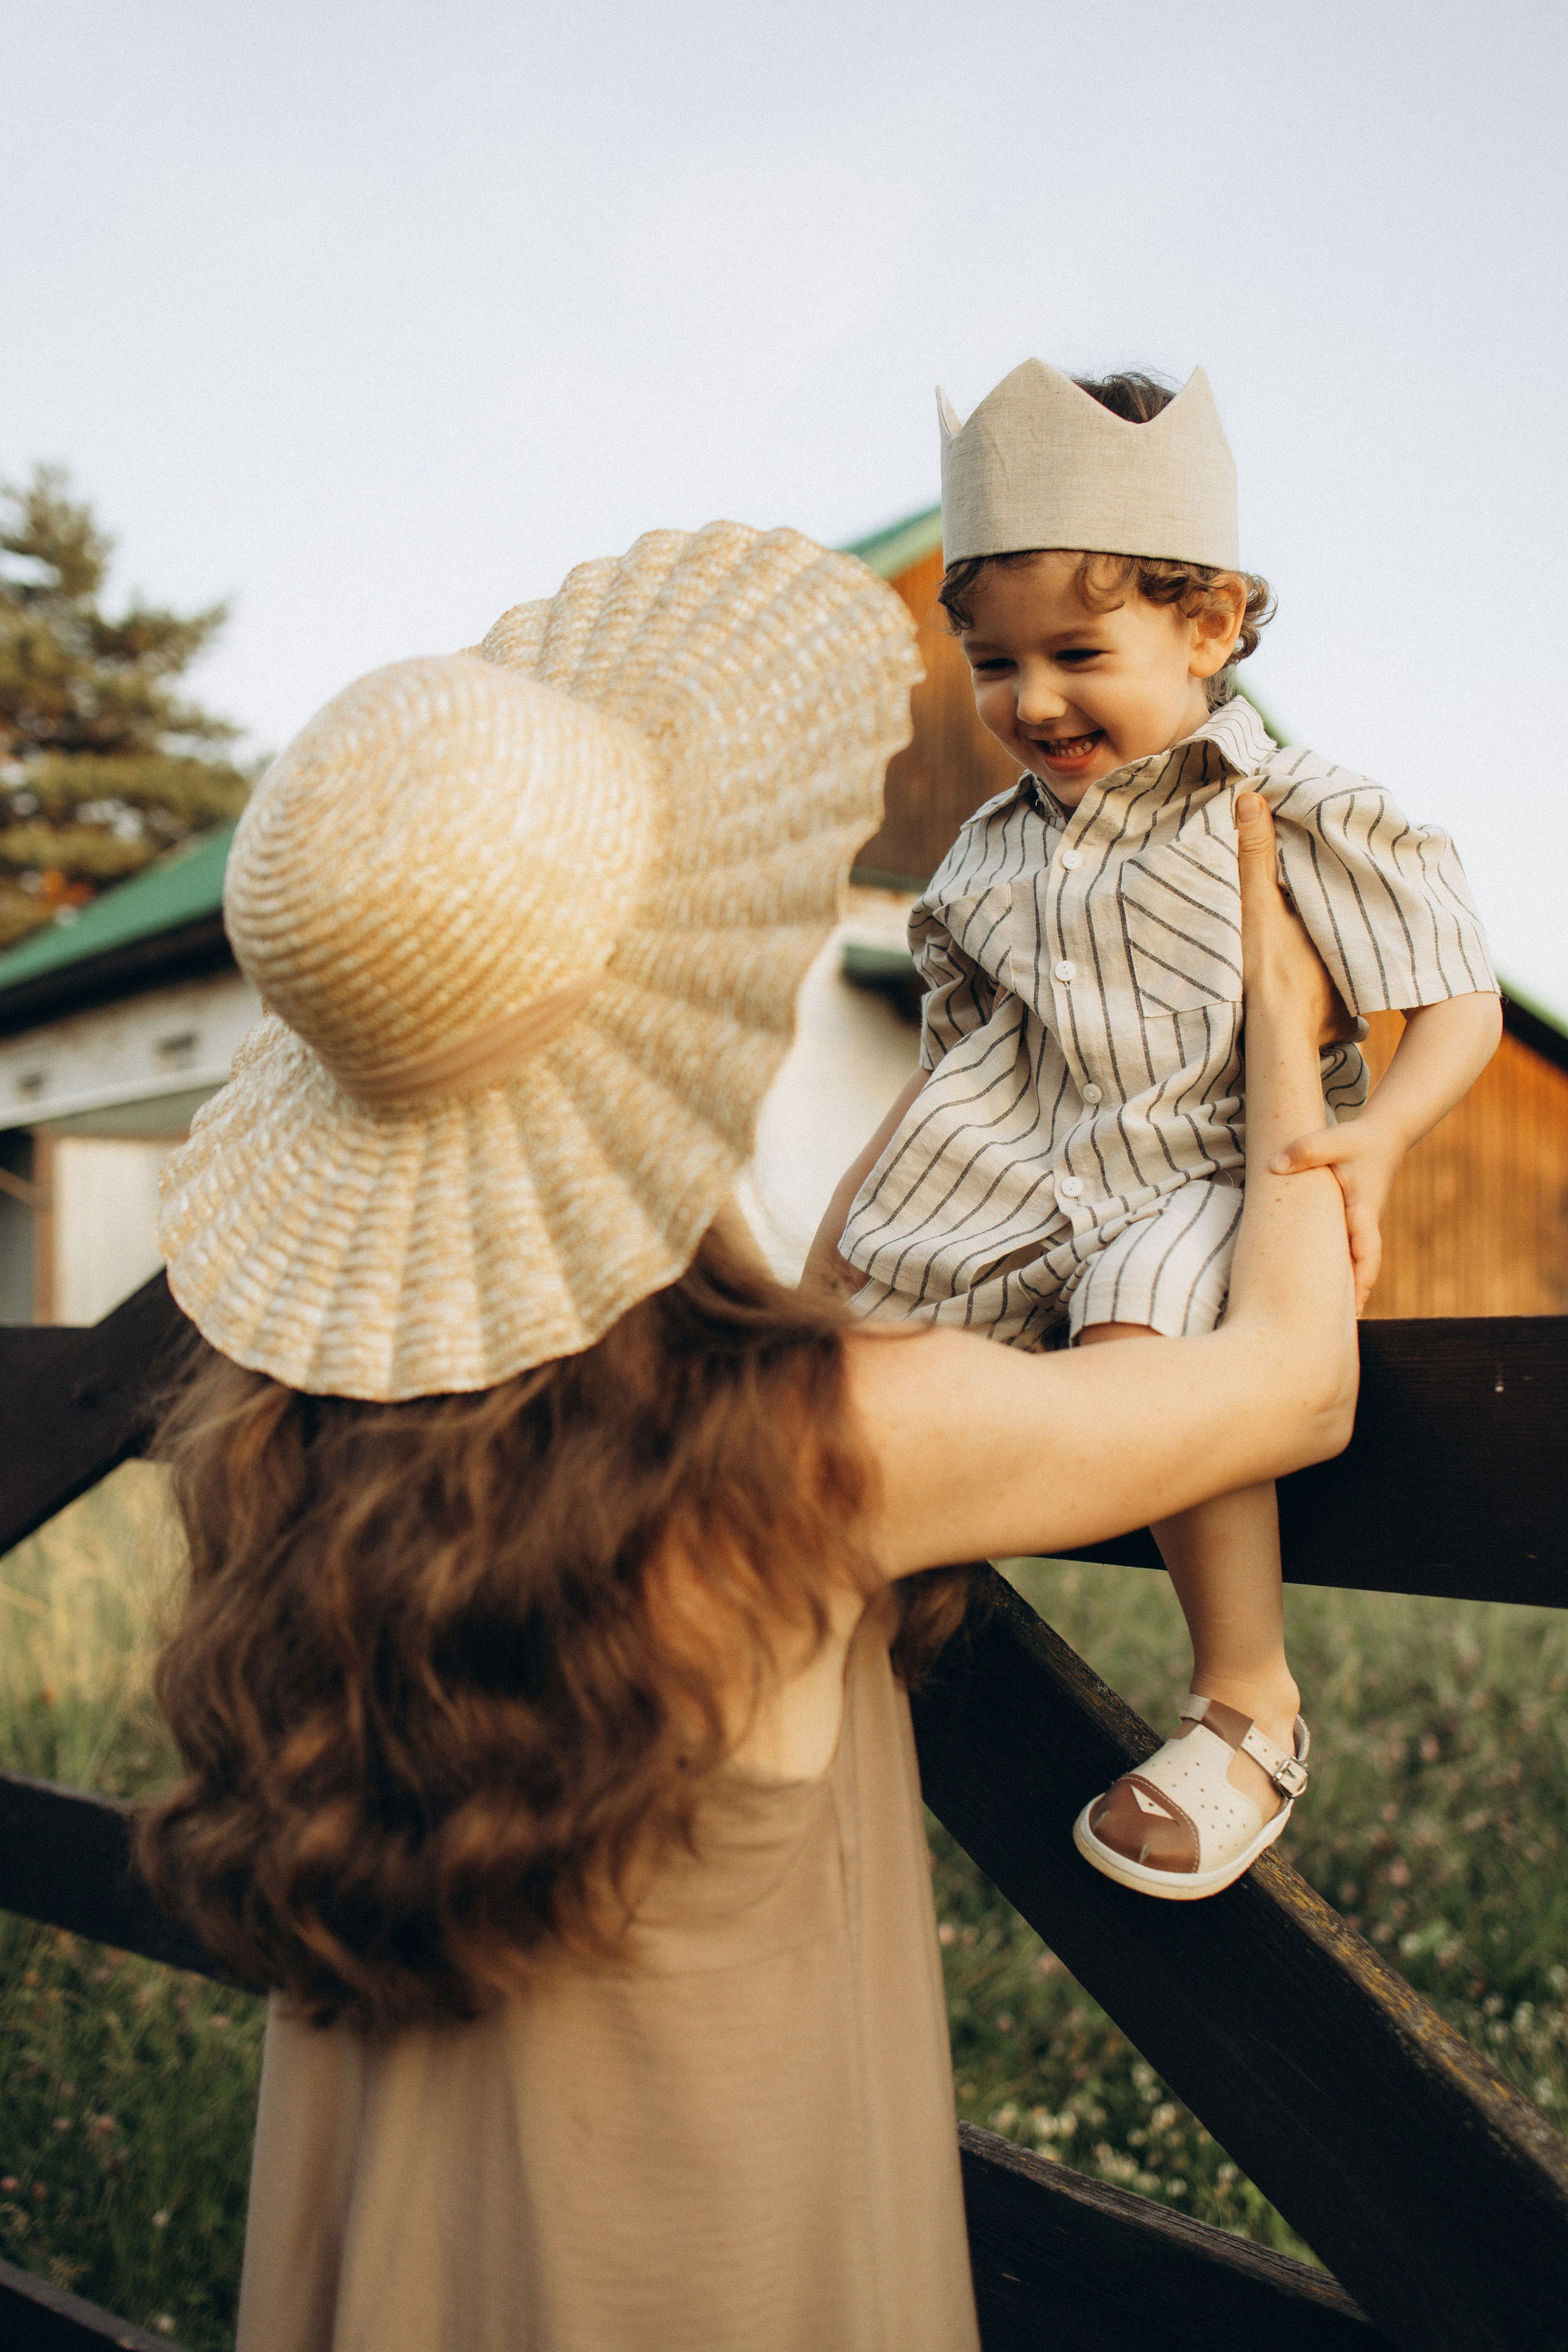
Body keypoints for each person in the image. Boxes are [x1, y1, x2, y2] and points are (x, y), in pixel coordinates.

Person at [138, 517, 1358, 2352]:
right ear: (690, 1000)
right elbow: (1291, 1383)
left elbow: (789, 1293)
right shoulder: (821, 1445)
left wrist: (975, 1072)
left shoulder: (297, 1459)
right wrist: (1278, 1027)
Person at [806, 361, 1501, 1902]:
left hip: (1198, 1165)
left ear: (1208, 628)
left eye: (1076, 650)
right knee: (843, 1369)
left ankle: (1248, 1703)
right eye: (992, 662)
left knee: (1151, 1358)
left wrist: (1377, 1136)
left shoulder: (1285, 805)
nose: (1030, 700)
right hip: (1019, 1157)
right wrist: (847, 1254)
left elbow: (1455, 1003)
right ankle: (875, 1644)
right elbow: (948, 1067)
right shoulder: (984, 852)